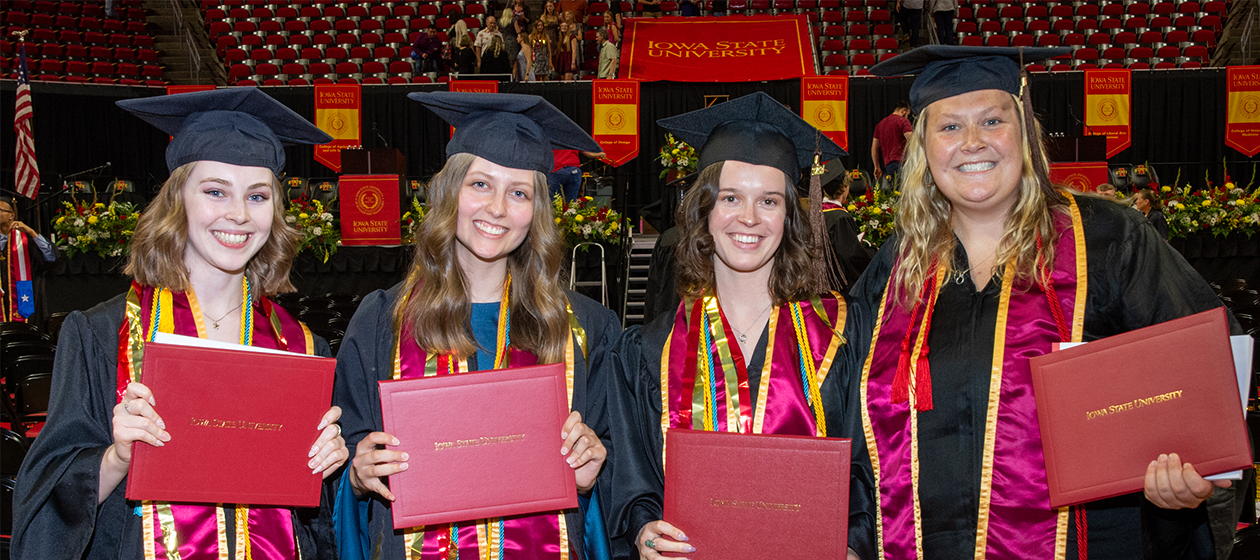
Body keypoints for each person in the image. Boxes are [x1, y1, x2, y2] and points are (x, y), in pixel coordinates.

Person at [859, 45, 1248, 559]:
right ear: (923, 150)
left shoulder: (1107, 239)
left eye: (992, 120)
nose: (972, 142)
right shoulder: (897, 267)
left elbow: (1205, 366)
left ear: (1025, 134)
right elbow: (850, 417)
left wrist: (1186, 475)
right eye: (949, 127)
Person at [11, 87, 348, 559]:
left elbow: (316, 527)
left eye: (257, 195)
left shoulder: (303, 347)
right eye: (215, 191)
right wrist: (116, 458)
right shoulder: (103, 335)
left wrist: (330, 469)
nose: (238, 214)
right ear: (177, 201)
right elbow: (43, 498)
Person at [332, 92, 622, 560]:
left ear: (538, 211)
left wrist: (594, 472)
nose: (498, 208)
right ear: (450, 192)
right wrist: (358, 475)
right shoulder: (382, 321)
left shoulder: (587, 328)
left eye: (519, 192)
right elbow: (339, 460)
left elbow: (624, 475)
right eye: (481, 184)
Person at [599, 92, 875, 560]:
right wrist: (645, 532)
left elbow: (869, 477)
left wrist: (852, 545)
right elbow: (632, 482)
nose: (749, 218)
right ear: (704, 212)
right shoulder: (648, 352)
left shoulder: (840, 338)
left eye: (768, 201)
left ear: (790, 217)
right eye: (730, 198)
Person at [0, 197, 57, 323]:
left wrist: (32, 232)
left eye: (0, 210)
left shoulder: (26, 239)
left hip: (23, 301)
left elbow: (50, 258)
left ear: (11, 215)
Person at [819, 167, 873, 291]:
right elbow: (851, 258)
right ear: (844, 187)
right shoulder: (840, 217)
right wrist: (872, 252)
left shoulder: (814, 212)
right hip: (837, 287)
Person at [871, 100, 912, 190]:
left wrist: (876, 166)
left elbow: (874, 147)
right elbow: (911, 140)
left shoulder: (880, 125)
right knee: (906, 194)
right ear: (903, 111)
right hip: (903, 164)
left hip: (889, 166)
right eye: (907, 114)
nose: (907, 117)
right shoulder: (903, 121)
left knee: (897, 192)